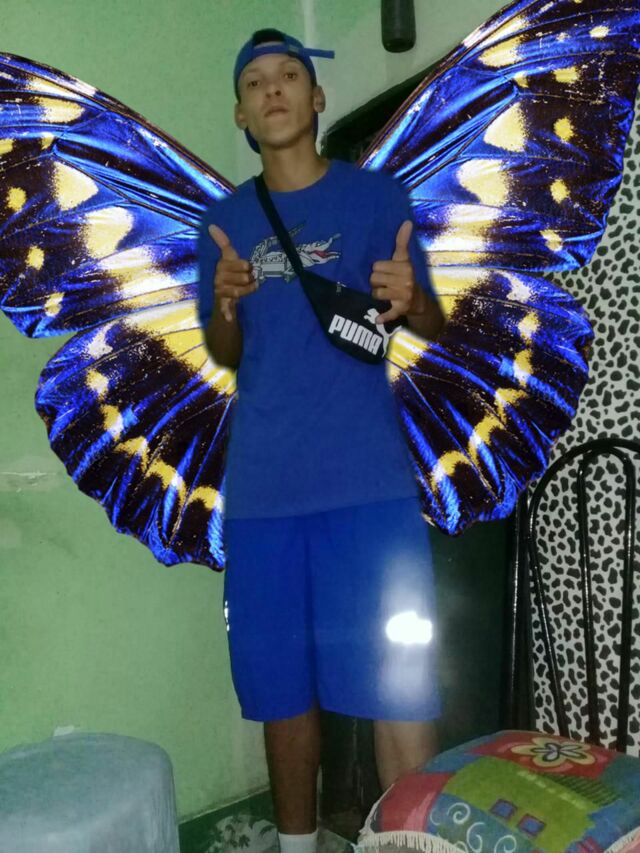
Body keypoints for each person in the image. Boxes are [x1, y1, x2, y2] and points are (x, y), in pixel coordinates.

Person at [197, 27, 447, 853]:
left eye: (288, 75)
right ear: (241, 113)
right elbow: (227, 354)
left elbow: (432, 321)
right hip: (265, 494)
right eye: (255, 82)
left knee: (402, 683)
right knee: (282, 691)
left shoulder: (376, 199)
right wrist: (225, 309)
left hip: (370, 491)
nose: (272, 89)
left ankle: (412, 845)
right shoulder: (225, 223)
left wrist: (415, 299)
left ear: (316, 98)